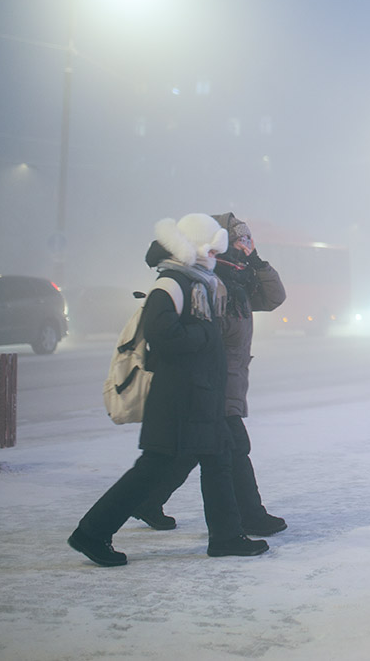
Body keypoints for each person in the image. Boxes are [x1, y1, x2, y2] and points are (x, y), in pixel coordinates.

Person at [69, 214, 269, 565]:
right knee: (151, 470)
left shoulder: (197, 281)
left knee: (219, 460)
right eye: (209, 248)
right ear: (191, 247)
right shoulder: (172, 284)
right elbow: (161, 335)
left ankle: (226, 536)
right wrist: (205, 336)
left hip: (200, 395)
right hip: (179, 399)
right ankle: (91, 533)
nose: (213, 255)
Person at [132, 213, 290, 535]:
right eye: (240, 241)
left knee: (193, 452)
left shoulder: (241, 284)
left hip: (228, 382)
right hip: (213, 384)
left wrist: (257, 260)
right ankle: (249, 517)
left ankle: (147, 501)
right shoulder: (211, 284)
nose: (246, 247)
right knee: (233, 449)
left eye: (249, 241)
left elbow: (275, 297)